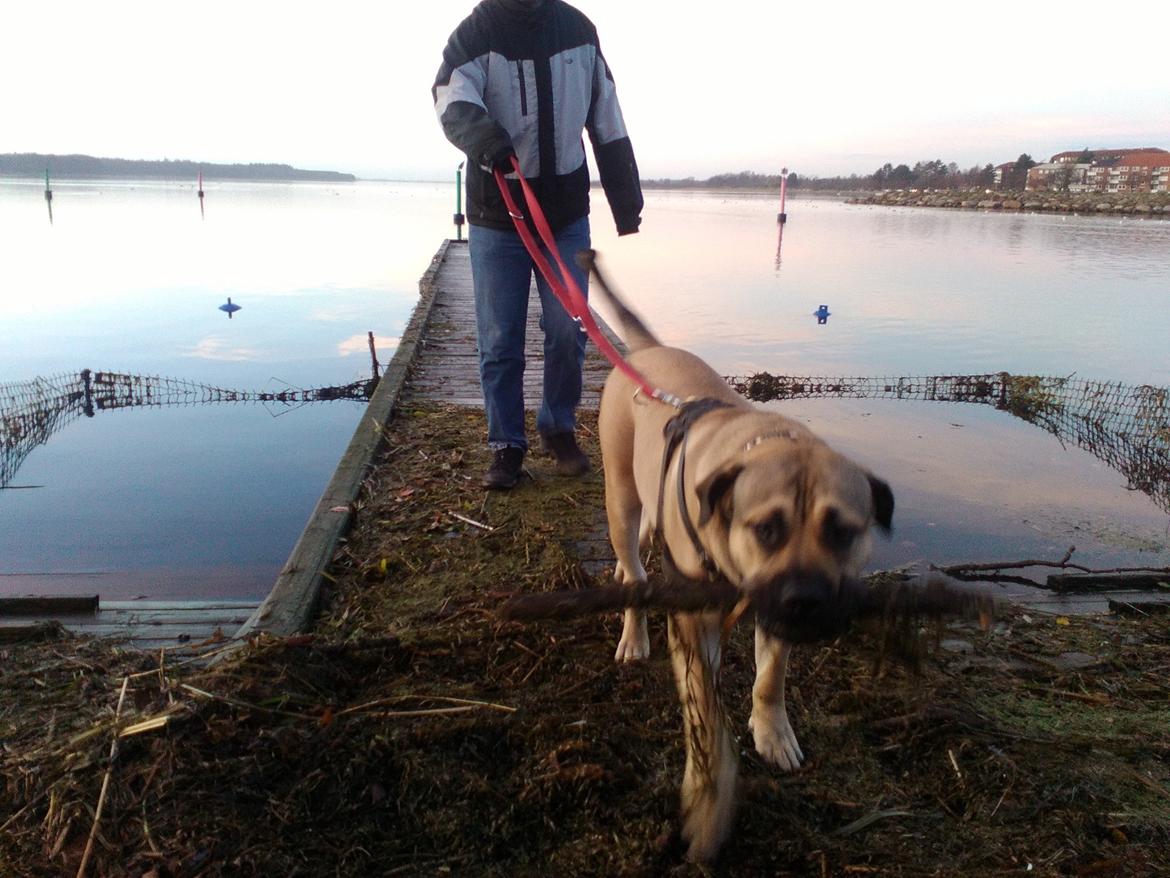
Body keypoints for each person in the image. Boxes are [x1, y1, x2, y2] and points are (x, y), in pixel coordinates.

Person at [433, 0, 643, 489]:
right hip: (498, 214)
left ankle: (559, 427)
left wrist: (625, 203)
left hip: (566, 215)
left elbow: (607, 117)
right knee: (500, 338)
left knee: (569, 329)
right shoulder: (474, 34)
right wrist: (486, 138)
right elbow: (450, 100)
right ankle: (506, 446)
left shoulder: (578, 30)